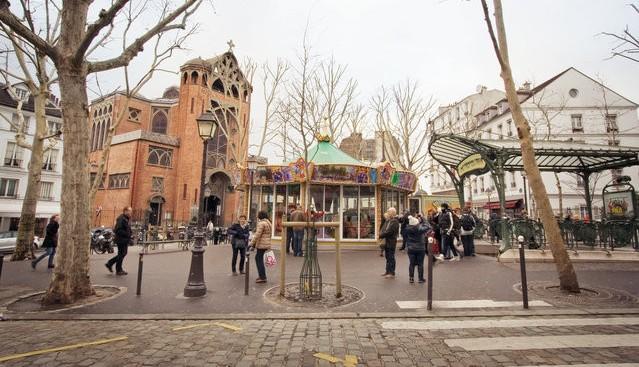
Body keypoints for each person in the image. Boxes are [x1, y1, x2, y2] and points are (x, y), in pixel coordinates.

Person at [106, 206, 133, 275]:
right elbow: (117, 230)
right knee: (122, 254)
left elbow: (126, 228)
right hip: (121, 240)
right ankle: (118, 269)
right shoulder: (121, 219)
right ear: (125, 211)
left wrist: (130, 233)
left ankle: (111, 264)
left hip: (124, 240)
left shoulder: (126, 218)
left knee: (122, 254)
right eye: (130, 211)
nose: (131, 213)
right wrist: (127, 234)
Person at [404, 215, 430, 283]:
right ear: (416, 223)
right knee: (420, 264)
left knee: (411, 263)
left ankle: (411, 278)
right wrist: (423, 218)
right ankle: (420, 279)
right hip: (420, 248)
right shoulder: (419, 229)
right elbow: (428, 226)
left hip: (411, 248)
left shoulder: (407, 229)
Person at [250, 210, 272, 283]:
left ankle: (262, 277)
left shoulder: (261, 223)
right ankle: (262, 276)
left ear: (260, 215)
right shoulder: (268, 222)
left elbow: (257, 235)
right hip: (266, 243)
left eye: (258, 214)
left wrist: (251, 244)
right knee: (259, 258)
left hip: (262, 244)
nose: (257, 216)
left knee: (258, 259)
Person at [379, 207, 399, 278]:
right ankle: (387, 271)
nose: (387, 213)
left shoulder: (395, 221)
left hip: (391, 242)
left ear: (392, 213)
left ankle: (391, 272)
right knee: (387, 257)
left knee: (391, 257)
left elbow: (389, 232)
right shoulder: (389, 221)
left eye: (388, 212)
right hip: (387, 242)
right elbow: (384, 229)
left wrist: (381, 235)